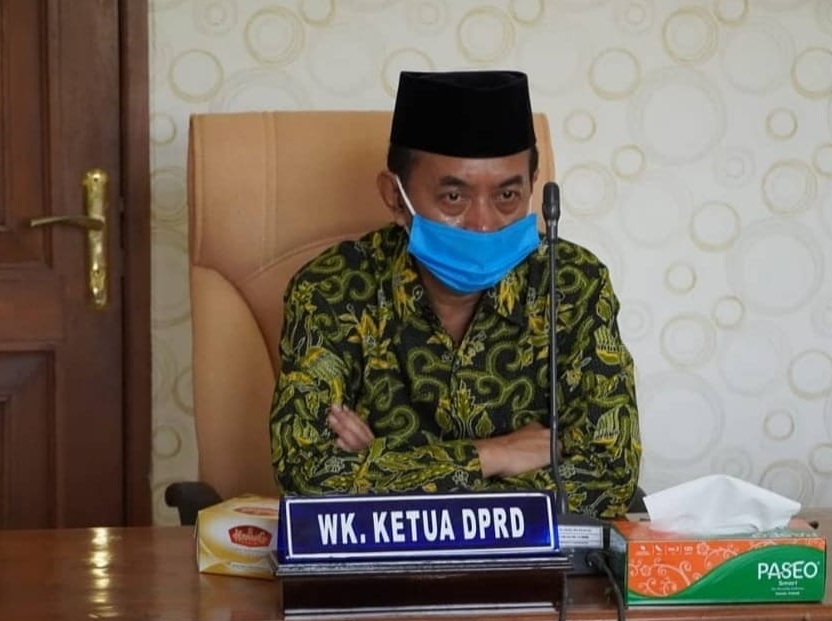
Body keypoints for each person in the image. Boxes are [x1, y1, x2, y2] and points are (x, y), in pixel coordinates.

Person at [270, 70, 641, 518]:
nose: (483, 224)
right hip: (380, 563)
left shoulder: (571, 283)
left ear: (533, 185)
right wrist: (495, 454)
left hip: (533, 561)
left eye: (507, 195)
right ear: (395, 197)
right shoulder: (332, 289)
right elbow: (307, 473)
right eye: (453, 197)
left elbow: (610, 474)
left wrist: (382, 466)